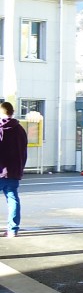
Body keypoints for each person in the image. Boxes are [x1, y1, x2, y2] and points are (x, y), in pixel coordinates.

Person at [0, 101, 28, 238]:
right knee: (13, 199)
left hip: (0, 170)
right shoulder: (20, 129)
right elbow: (23, 151)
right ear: (13, 112)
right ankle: (12, 230)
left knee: (12, 198)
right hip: (14, 171)